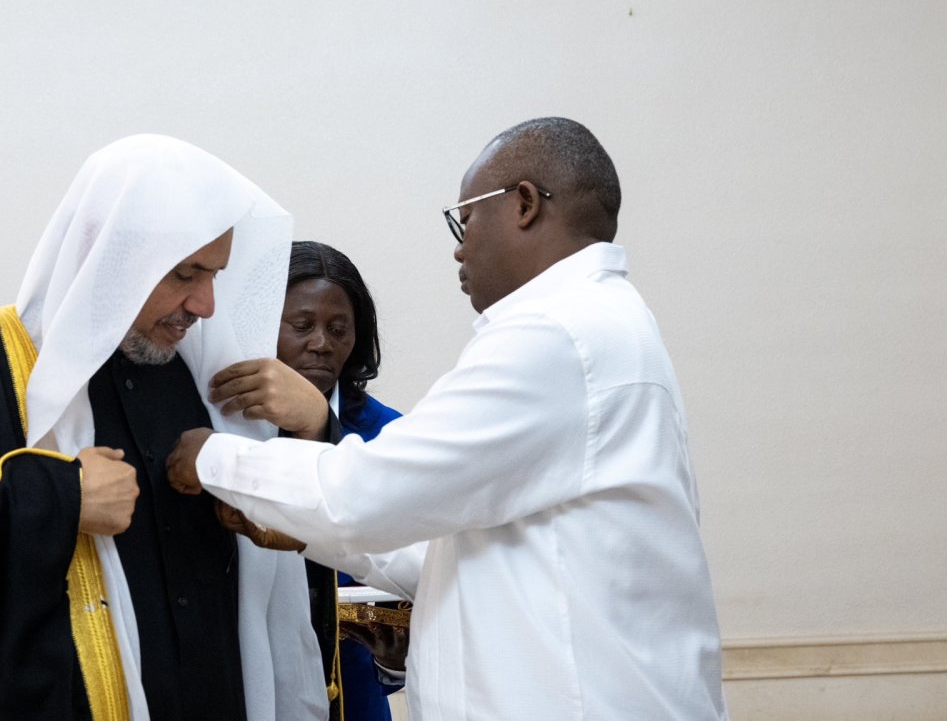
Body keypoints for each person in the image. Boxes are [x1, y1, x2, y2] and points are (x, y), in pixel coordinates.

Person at [169, 118, 729, 720]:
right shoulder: (597, 321)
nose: (460, 246)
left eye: (466, 219)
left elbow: (367, 495)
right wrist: (298, 531)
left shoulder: (556, 335)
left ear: (523, 204)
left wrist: (211, 457)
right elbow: (454, 546)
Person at [0, 135, 328, 721]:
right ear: (109, 253)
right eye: (186, 274)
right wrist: (56, 501)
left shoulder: (215, 383)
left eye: (214, 275)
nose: (206, 305)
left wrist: (311, 431)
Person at [276, 241, 404, 721]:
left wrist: (395, 662)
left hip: (354, 699)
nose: (321, 344)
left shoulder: (389, 436)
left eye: (338, 329)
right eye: (302, 326)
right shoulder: (223, 430)